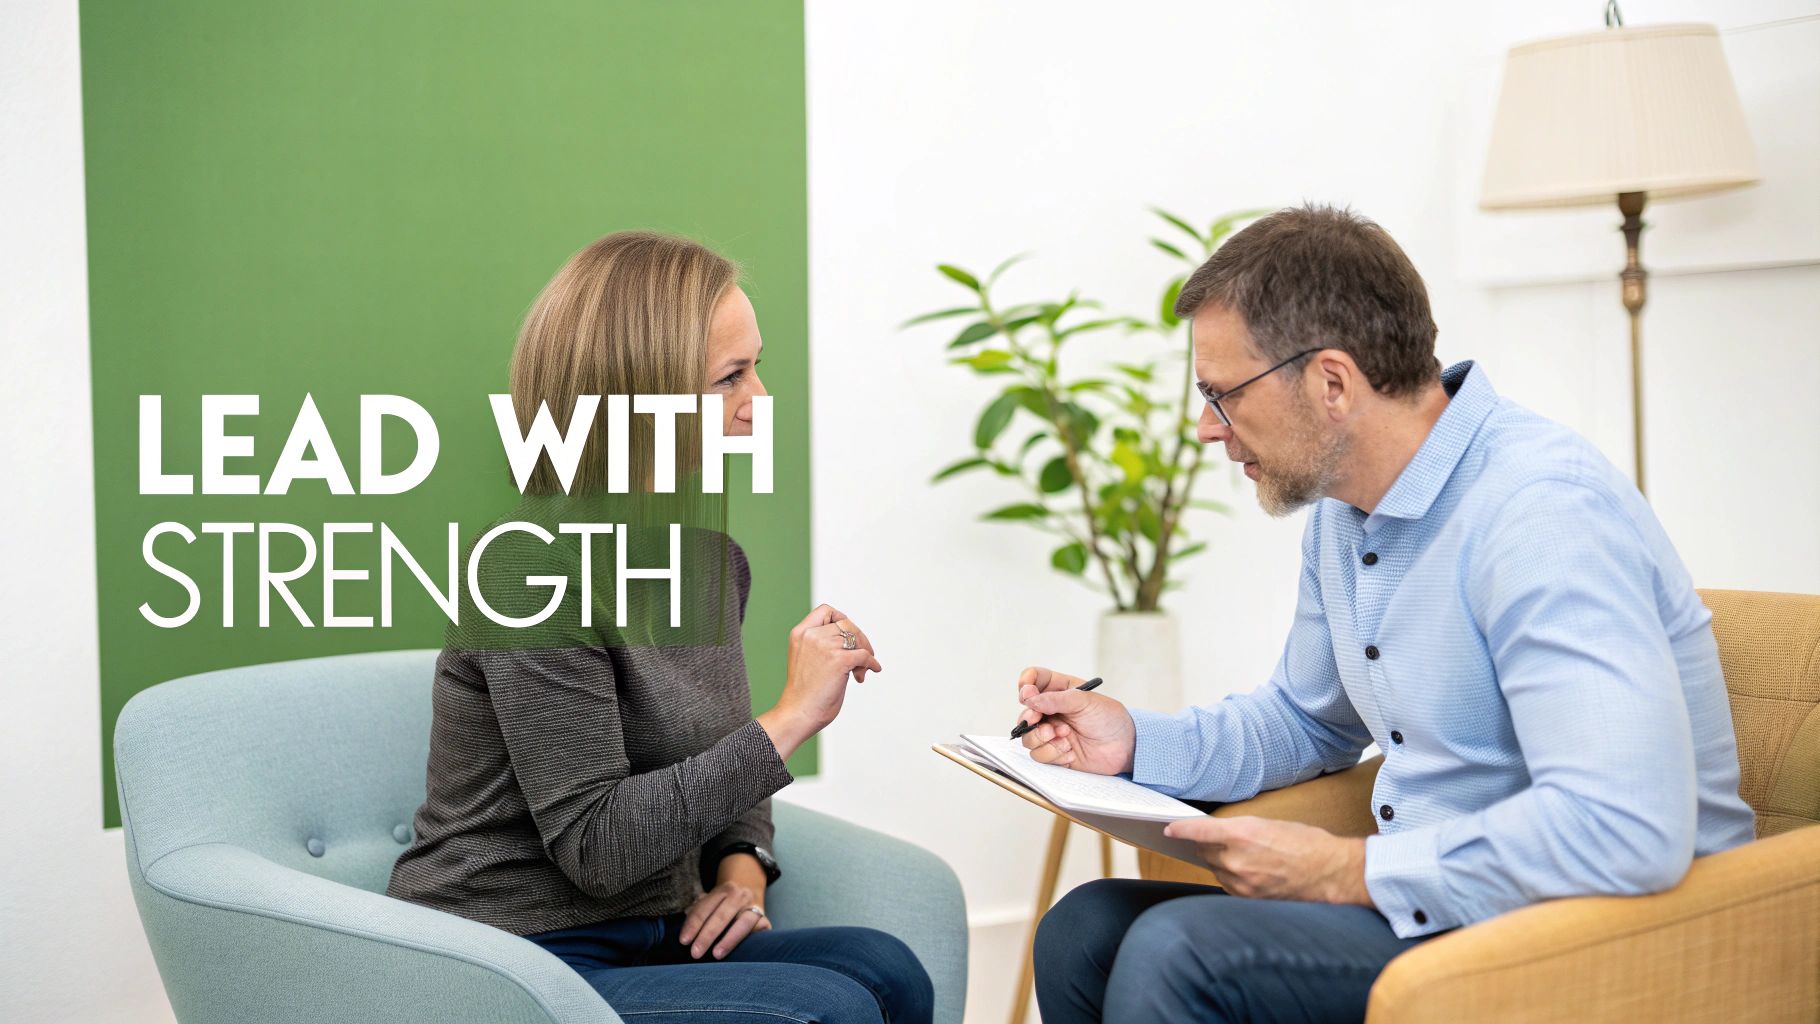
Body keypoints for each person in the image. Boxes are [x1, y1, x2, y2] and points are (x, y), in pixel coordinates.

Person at [1015, 205, 1755, 1023]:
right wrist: (1135, 741)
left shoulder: (1541, 514)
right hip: (1441, 906)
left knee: (1179, 952)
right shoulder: (1347, 511)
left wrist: (1347, 871)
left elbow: (1622, 829)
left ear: (1332, 382)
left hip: (1596, 933)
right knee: (1082, 930)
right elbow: (1306, 723)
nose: (1205, 430)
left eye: (1221, 396)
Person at [386, 231, 933, 1024]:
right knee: (829, 1009)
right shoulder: (527, 572)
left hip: (651, 931)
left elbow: (717, 750)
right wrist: (792, 718)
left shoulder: (709, 562)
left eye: (756, 366)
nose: (761, 399)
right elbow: (598, 849)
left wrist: (745, 864)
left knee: (888, 972)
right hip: (514, 950)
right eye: (730, 377)